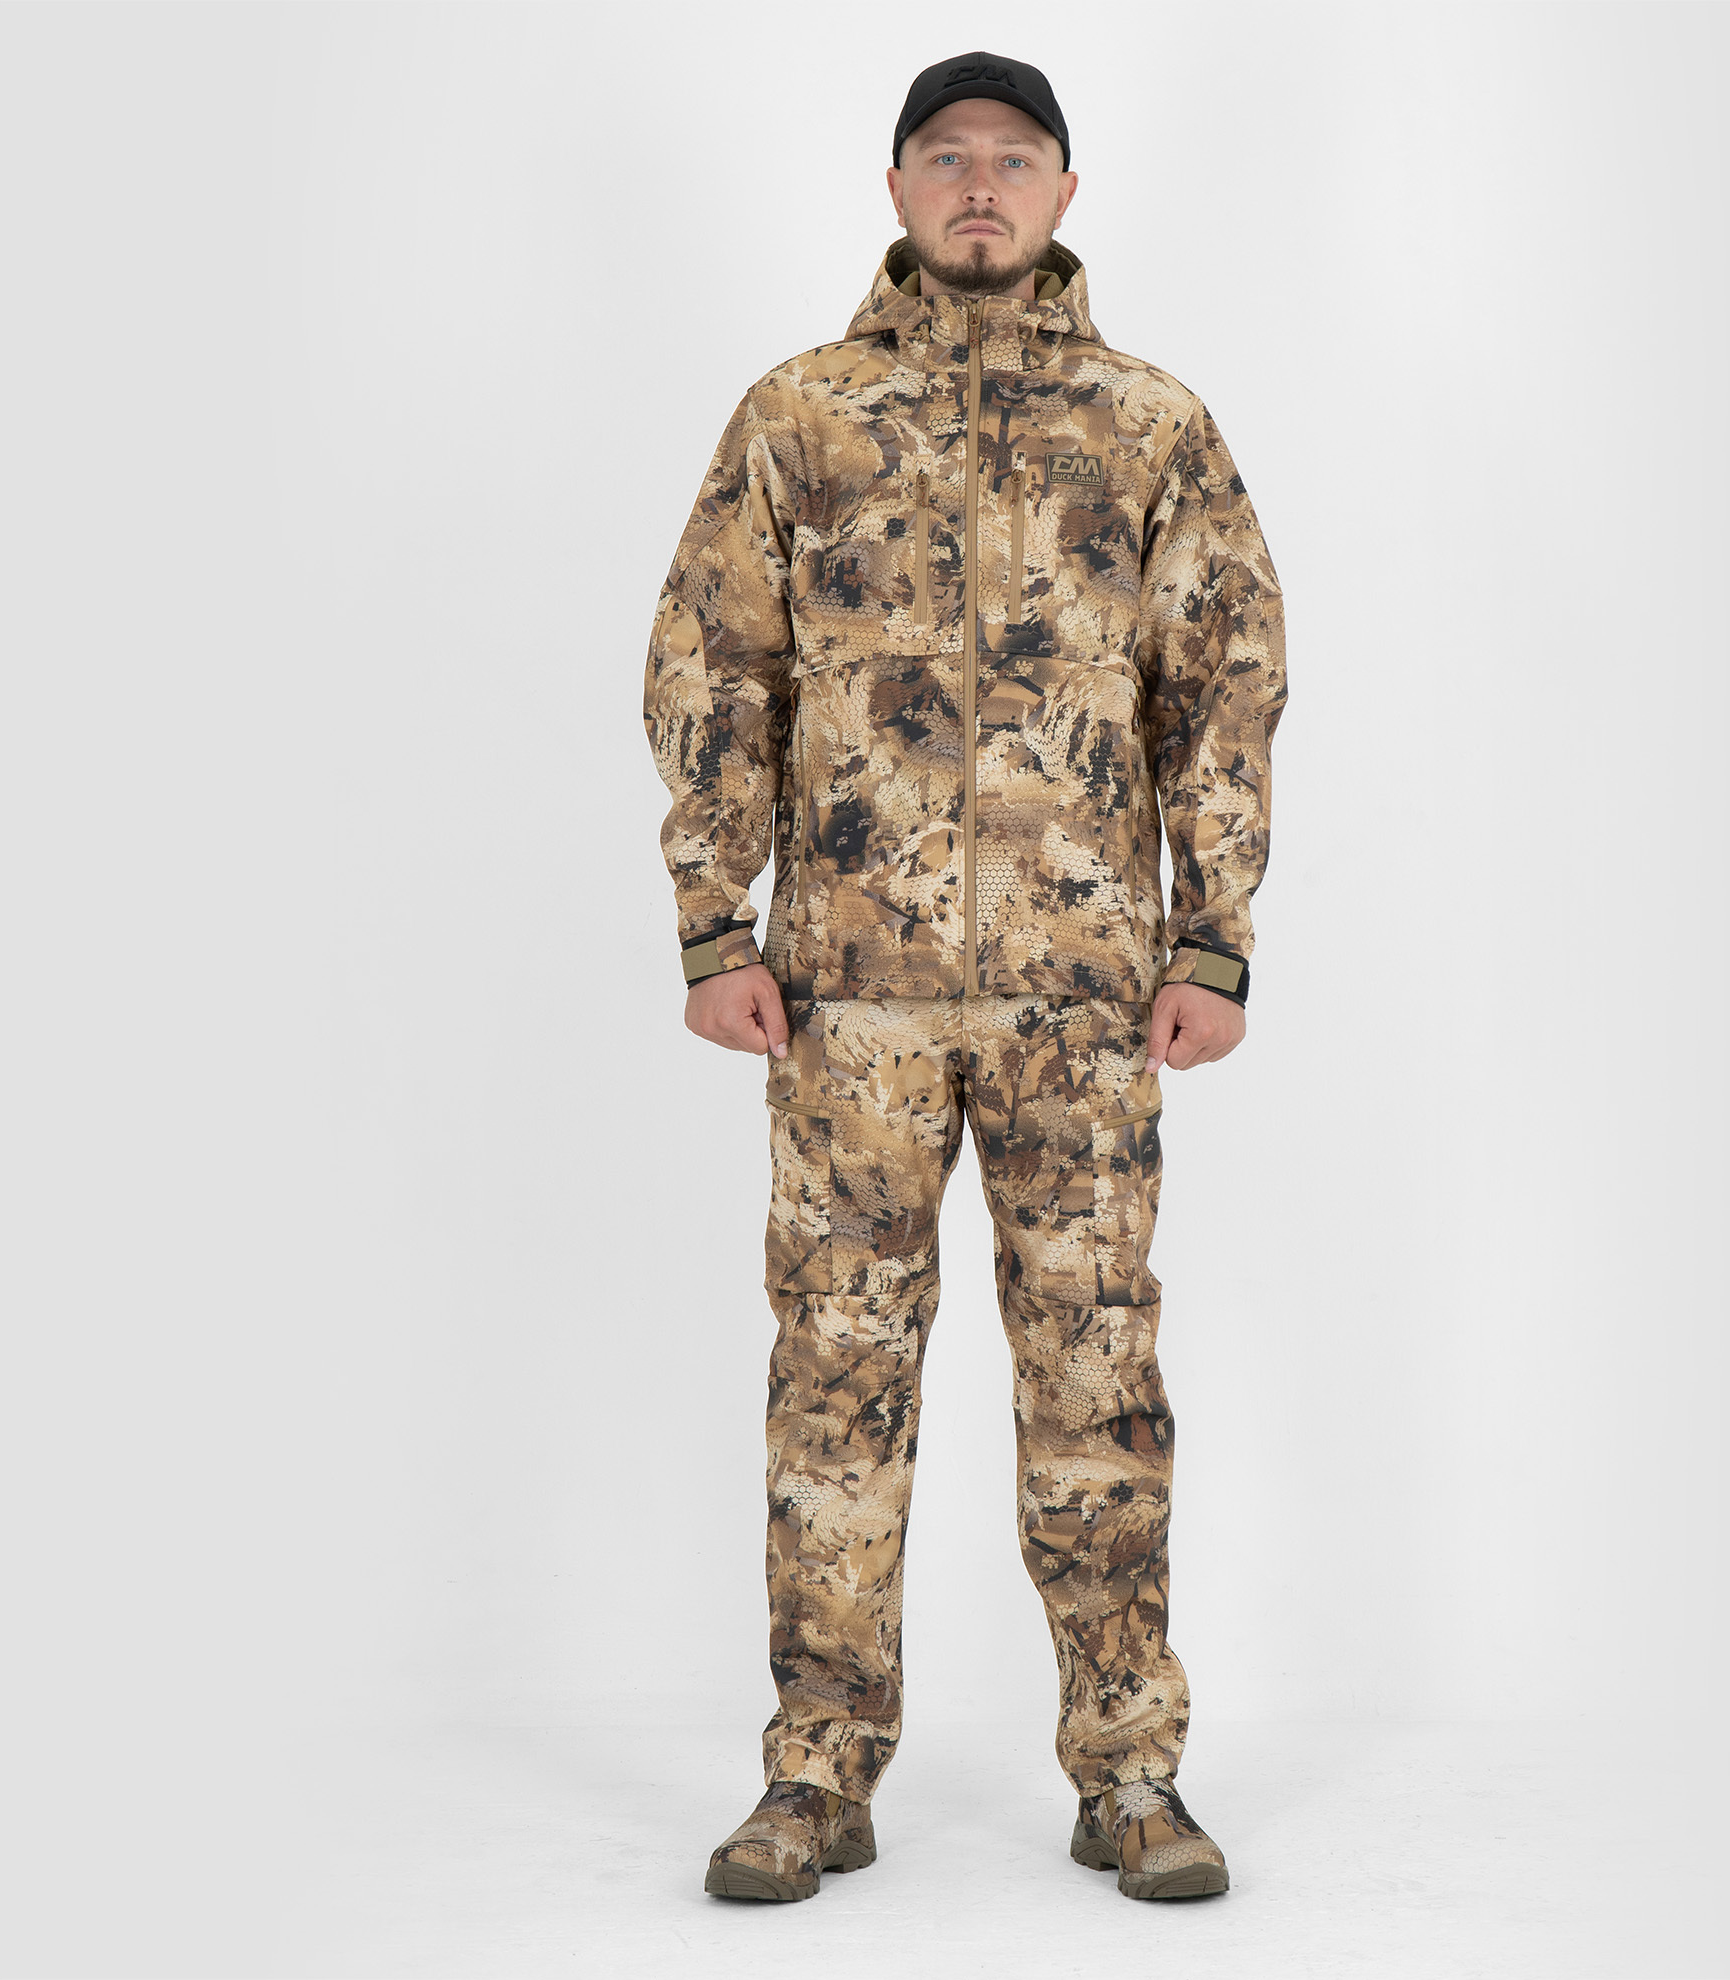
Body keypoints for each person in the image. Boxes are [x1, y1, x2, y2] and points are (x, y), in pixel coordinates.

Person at [642, 49, 1287, 1904]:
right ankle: (816, 1772)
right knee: (835, 1382)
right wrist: (715, 922)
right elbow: (712, 666)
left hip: (1085, 1005)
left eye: (1015, 157)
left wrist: (1213, 936)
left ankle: (1131, 1773)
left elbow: (1225, 686)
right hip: (846, 1004)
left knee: (1099, 1378)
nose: (980, 184)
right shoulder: (802, 415)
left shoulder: (1151, 425)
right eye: (947, 155)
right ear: (899, 189)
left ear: (1065, 193)